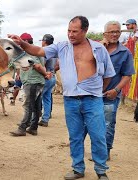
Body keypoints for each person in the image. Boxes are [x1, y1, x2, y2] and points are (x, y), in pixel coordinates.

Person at [8, 16, 115, 180]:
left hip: (92, 100)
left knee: (98, 135)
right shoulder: (62, 47)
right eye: (69, 31)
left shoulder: (98, 49)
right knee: (75, 136)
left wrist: (96, 90)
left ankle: (101, 171)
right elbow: (38, 51)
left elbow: (107, 75)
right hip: (71, 100)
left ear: (85, 31)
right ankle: (78, 168)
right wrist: (22, 43)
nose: (71, 35)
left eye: (75, 31)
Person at [100, 21, 135, 160]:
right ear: (104, 34)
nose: (115, 34)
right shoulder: (96, 48)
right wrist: (100, 47)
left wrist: (116, 90)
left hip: (111, 96)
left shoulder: (125, 52)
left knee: (108, 124)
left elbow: (127, 75)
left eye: (117, 32)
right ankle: (96, 149)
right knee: (89, 124)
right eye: (111, 32)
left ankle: (105, 151)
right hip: (92, 95)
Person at [10, 32, 50, 136]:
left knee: (27, 105)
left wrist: (45, 74)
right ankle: (33, 127)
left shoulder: (29, 52)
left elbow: (37, 66)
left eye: (21, 42)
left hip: (32, 81)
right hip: (38, 81)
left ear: (26, 41)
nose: (19, 45)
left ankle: (22, 128)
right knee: (36, 106)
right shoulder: (35, 50)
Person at [38, 34, 57, 127]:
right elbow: (58, 64)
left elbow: (42, 64)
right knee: (47, 98)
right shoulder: (54, 52)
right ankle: (45, 119)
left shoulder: (45, 52)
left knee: (37, 98)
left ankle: (32, 120)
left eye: (42, 40)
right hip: (53, 77)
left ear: (44, 41)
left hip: (46, 77)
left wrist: (45, 73)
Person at [10, 33, 33, 106]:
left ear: (25, 41)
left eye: (21, 41)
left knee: (19, 88)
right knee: (17, 87)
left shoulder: (29, 50)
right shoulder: (33, 49)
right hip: (24, 73)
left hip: (28, 75)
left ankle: (18, 101)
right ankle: (13, 100)